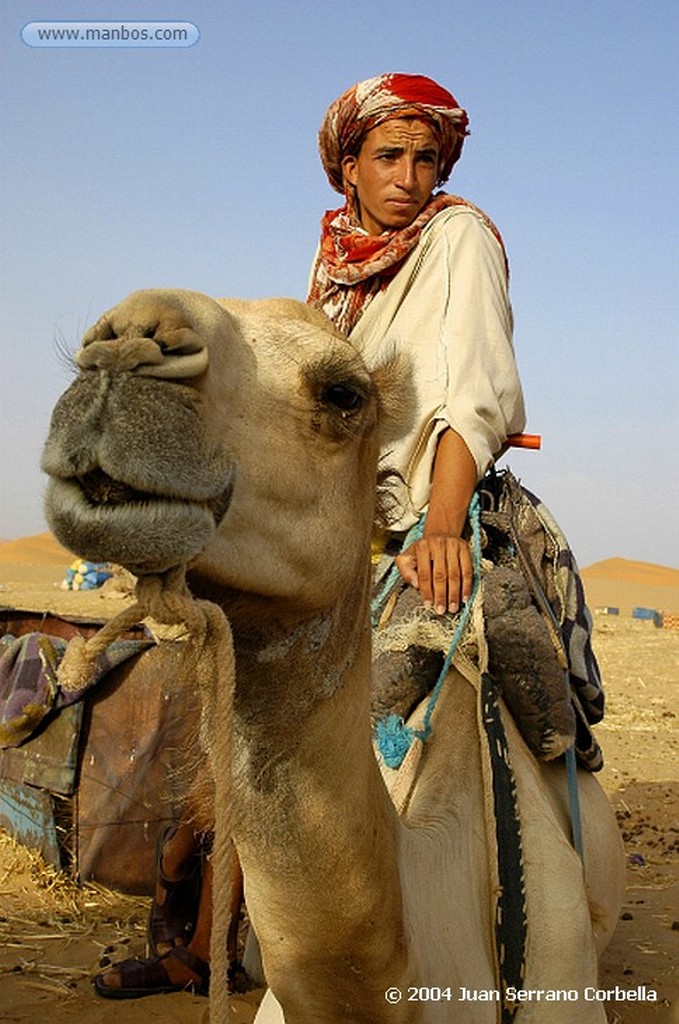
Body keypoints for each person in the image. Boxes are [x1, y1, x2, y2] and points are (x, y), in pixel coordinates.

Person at [93, 71, 525, 999]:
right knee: (230, 712)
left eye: (424, 158)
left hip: (430, 513)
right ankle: (205, 941)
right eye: (387, 157)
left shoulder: (458, 240)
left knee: (466, 701)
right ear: (348, 170)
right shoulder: (331, 265)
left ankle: (539, 909)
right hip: (337, 523)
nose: (408, 176)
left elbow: (471, 394)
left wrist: (441, 525)